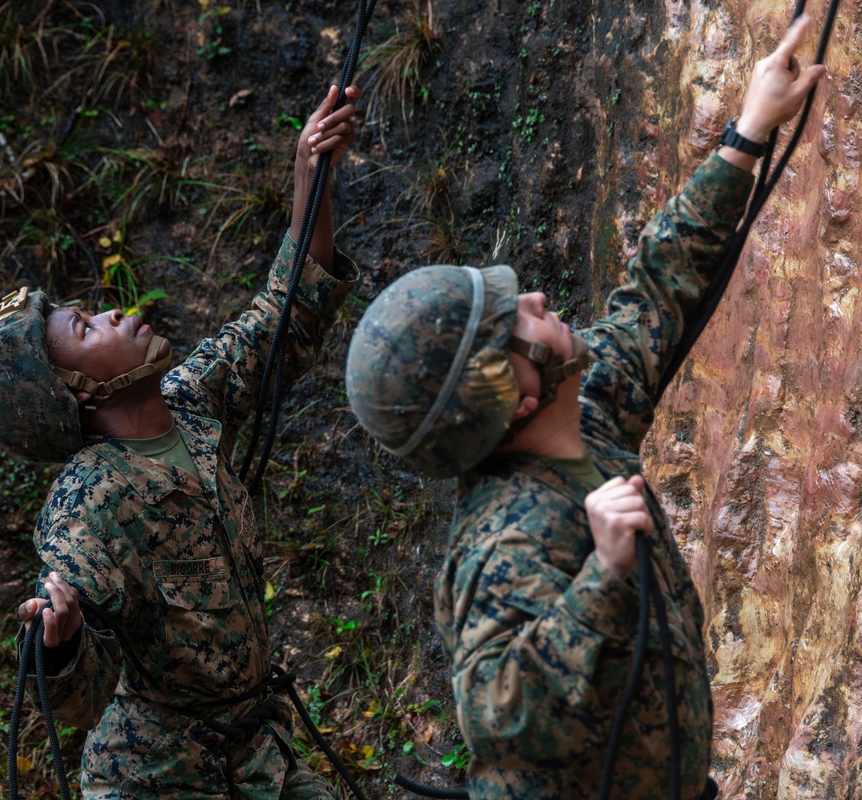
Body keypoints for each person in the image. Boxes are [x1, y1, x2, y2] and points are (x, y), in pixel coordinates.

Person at [344, 18, 825, 800]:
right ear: (510, 388)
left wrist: (749, 130)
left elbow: (659, 287)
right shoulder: (509, 532)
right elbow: (500, 717)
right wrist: (603, 572)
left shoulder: (587, 412)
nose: (534, 296)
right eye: (513, 319)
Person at [0, 84, 362, 799]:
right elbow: (84, 692)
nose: (116, 313)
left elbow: (284, 316)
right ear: (80, 396)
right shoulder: (89, 500)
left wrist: (311, 174)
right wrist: (58, 643)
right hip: (156, 779)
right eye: (88, 328)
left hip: (255, 754)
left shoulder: (186, 399)